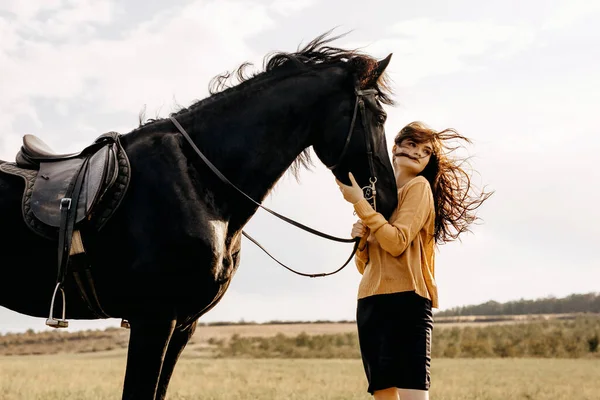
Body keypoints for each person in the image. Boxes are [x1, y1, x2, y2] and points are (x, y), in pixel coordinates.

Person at [335, 121, 492, 400]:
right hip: (371, 303)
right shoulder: (378, 198)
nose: (417, 152)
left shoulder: (419, 187)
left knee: (413, 397)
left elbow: (396, 243)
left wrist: (358, 203)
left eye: (426, 150)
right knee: (384, 396)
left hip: (408, 300)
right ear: (394, 148)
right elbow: (366, 267)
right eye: (410, 143)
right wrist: (361, 241)